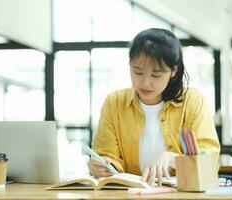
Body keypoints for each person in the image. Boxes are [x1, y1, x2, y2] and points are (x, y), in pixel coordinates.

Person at [88, 28, 220, 187]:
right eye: (137, 72)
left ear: (173, 70)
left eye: (156, 75)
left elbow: (210, 158)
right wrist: (103, 166)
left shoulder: (192, 102)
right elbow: (107, 155)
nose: (145, 83)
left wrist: (172, 159)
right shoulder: (114, 103)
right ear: (129, 65)